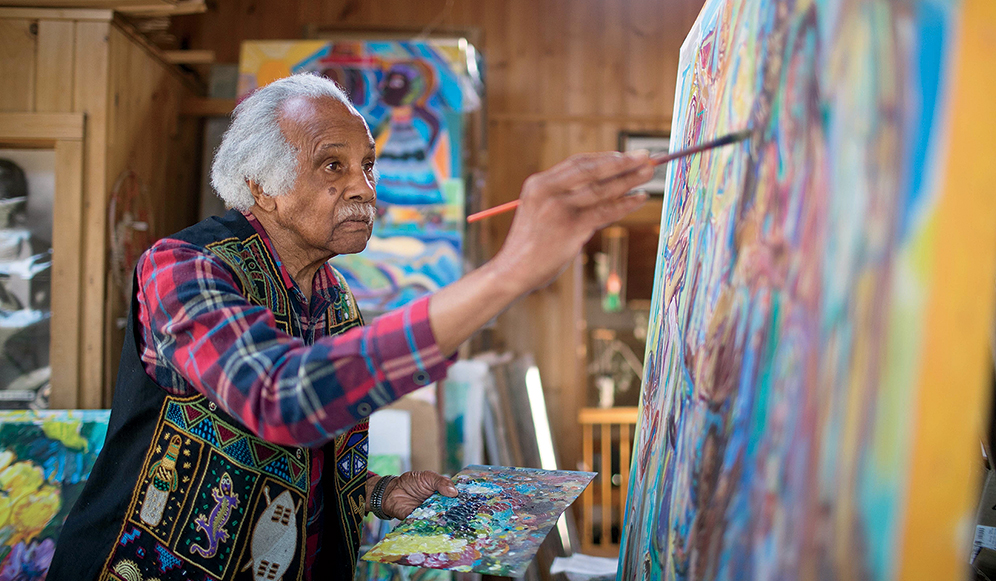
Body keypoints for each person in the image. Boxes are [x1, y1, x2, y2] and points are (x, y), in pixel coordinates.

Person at [48, 73, 653, 580]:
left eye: (368, 165)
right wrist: (507, 274)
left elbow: (299, 455)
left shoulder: (334, 299)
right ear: (260, 185)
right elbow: (279, 399)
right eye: (332, 166)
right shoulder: (184, 267)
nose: (364, 189)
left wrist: (378, 493)